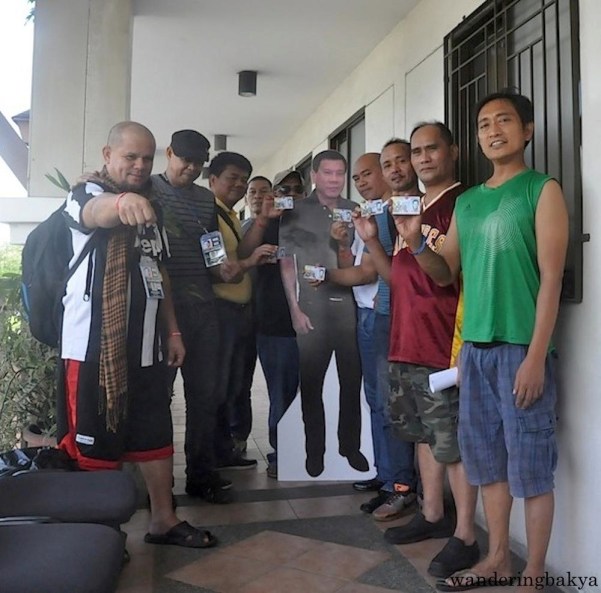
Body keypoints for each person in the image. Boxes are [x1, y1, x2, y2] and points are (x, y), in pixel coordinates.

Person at [398, 93, 568, 593]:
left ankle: (533, 572)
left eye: (505, 121)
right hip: (472, 352)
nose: (493, 130)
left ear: (527, 130)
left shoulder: (542, 189)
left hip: (521, 349)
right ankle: (497, 558)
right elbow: (446, 270)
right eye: (484, 124)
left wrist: (537, 357)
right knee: (487, 463)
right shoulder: (469, 202)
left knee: (532, 466)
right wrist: (414, 243)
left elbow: (553, 280)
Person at [57, 121, 216, 548]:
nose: (140, 165)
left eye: (146, 158)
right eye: (131, 157)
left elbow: (157, 271)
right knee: (95, 444)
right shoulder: (83, 194)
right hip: (92, 349)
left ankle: (163, 520)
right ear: (108, 155)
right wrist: (123, 200)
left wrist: (174, 331)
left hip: (147, 345)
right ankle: (100, 533)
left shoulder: (153, 208)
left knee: (154, 434)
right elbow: (97, 212)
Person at [355, 123, 479, 579]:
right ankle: (431, 514)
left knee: (453, 444)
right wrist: (372, 238)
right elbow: (398, 279)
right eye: (418, 151)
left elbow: (445, 276)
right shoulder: (413, 208)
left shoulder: (461, 204)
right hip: (405, 342)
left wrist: (413, 238)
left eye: (431, 150)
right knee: (425, 437)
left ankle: (465, 534)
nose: (424, 159)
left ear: (453, 151)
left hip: (441, 343)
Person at [323, 149, 418, 519]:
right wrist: (343, 242)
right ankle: (386, 476)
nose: (361, 182)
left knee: (389, 403)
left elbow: (369, 274)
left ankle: (399, 483)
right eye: (356, 177)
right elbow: (354, 263)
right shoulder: (368, 213)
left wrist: (321, 276)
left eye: (368, 173)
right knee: (376, 401)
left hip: (385, 315)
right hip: (366, 315)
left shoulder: (393, 212)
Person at [151, 130, 234, 503]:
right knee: (158, 398)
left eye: (198, 163)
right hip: (159, 313)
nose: (191, 168)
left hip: (203, 309)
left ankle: (201, 476)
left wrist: (225, 269)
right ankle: (158, 484)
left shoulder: (205, 200)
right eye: (184, 159)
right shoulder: (147, 191)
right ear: (169, 153)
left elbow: (211, 249)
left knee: (206, 396)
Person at [280, 150, 369, 477]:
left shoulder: (354, 211)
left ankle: (350, 446)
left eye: (339, 173)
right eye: (327, 173)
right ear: (315, 176)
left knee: (351, 384)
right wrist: (295, 309)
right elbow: (286, 262)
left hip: (350, 309)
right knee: (312, 385)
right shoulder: (295, 212)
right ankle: (314, 452)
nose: (334, 179)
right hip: (311, 310)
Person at [209, 152, 277, 470]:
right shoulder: (208, 215)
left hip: (243, 315)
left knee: (238, 385)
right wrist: (251, 261)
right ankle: (211, 459)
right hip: (220, 316)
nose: (238, 185)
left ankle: (230, 449)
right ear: (212, 180)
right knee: (220, 389)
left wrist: (262, 220)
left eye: (243, 180)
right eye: (231, 178)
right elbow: (224, 272)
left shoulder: (231, 216)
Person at [254, 169, 306, 478]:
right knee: (282, 393)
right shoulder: (263, 225)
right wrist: (264, 219)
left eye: (297, 190)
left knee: (312, 392)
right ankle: (282, 455)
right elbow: (242, 257)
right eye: (283, 188)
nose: (290, 194)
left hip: (316, 326)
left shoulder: (317, 224)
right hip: (275, 325)